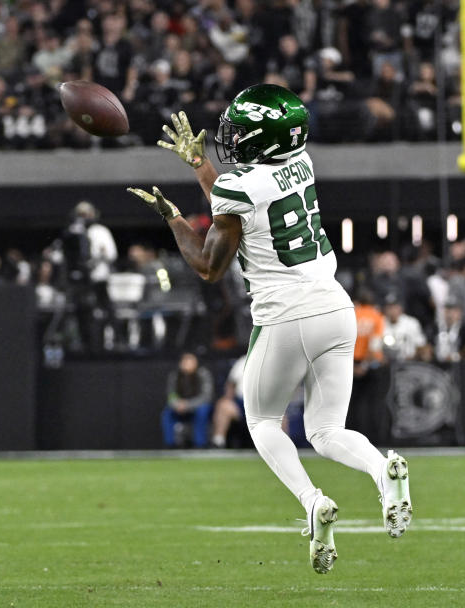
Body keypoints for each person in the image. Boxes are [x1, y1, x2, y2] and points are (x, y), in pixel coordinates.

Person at [127, 87, 412, 574]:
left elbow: (209, 265)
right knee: (327, 430)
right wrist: (199, 166)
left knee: (261, 421)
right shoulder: (300, 159)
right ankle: (382, 473)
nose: (229, 139)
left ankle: (312, 501)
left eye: (240, 131)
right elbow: (236, 202)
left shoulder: (240, 186)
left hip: (286, 314)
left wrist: (172, 218)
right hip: (334, 305)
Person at [161, 351, 214, 448]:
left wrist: (187, 405)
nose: (186, 363)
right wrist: (176, 404)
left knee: (203, 410)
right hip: (180, 409)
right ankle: (170, 445)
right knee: (167, 413)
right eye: (184, 360)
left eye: (189, 360)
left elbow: (206, 397)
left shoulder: (203, 374)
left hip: (197, 407)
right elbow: (171, 395)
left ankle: (200, 444)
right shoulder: (175, 376)